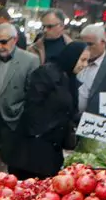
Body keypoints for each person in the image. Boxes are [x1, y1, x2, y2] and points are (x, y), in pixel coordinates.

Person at [10, 42, 89, 180]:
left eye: (87, 60)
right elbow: (33, 107)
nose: (85, 64)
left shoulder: (71, 79)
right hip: (32, 148)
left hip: (52, 148)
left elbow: (70, 112)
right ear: (72, 57)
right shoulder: (46, 73)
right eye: (82, 60)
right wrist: (39, 132)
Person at [0, 23, 39, 160]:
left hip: (13, 117)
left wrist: (21, 113)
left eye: (3, 42)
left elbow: (32, 94)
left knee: (7, 158)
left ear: (14, 40)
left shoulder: (30, 61)